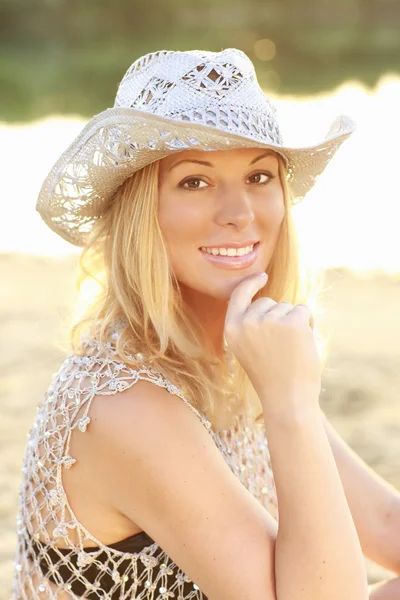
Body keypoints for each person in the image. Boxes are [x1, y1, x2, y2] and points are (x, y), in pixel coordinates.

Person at [13, 48, 400, 600]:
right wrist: (292, 406)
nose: (239, 212)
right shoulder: (125, 404)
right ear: (141, 212)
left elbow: (385, 522)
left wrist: (287, 400)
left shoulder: (233, 358)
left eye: (260, 175)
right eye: (194, 182)